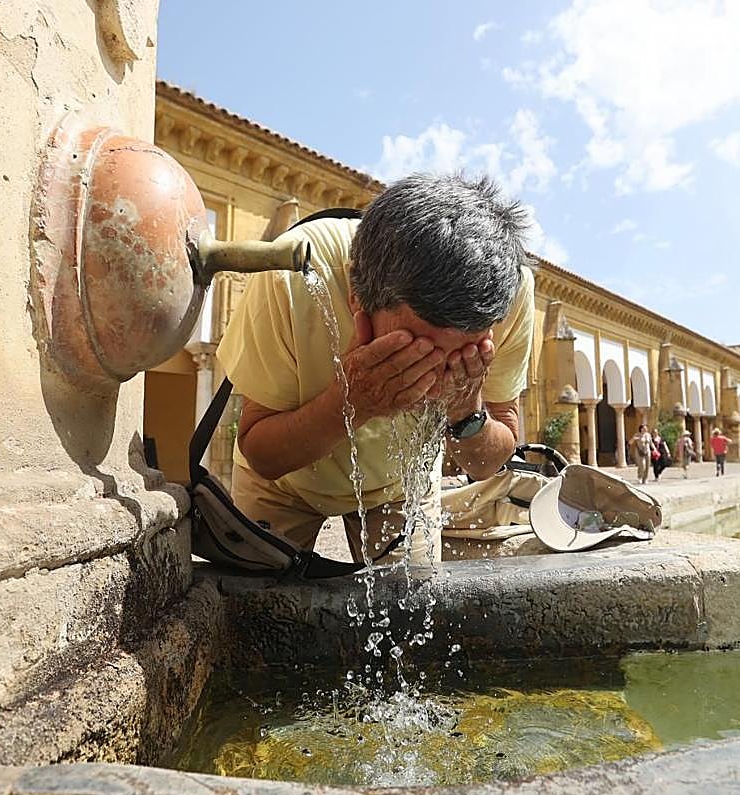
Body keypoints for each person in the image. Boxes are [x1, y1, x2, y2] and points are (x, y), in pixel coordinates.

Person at [216, 173, 535, 566]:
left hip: (401, 485)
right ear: (356, 292)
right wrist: (353, 401)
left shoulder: (509, 294)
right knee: (257, 610)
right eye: (416, 353)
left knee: (410, 608)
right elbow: (264, 456)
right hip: (282, 486)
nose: (430, 383)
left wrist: (465, 410)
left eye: (458, 359)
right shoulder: (292, 273)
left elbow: (486, 464)